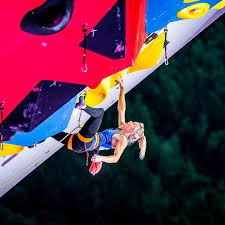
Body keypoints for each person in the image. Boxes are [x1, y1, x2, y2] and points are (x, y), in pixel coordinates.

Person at [53, 78, 147, 165]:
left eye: (133, 123)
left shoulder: (123, 140)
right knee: (51, 132)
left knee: (100, 113)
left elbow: (116, 158)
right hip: (79, 144)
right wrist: (122, 89)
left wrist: (100, 158)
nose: (130, 121)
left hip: (87, 141)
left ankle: (83, 106)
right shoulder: (121, 127)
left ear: (131, 131)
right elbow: (121, 109)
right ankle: (40, 138)